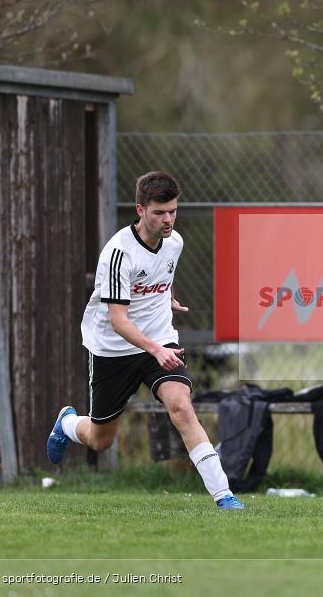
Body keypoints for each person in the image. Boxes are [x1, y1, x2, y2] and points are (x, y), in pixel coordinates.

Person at [46, 171, 244, 510]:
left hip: (159, 339)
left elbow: (160, 277)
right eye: (159, 213)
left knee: (181, 407)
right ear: (140, 210)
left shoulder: (175, 242)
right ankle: (67, 423)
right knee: (100, 439)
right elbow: (118, 320)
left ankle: (224, 495)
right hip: (114, 348)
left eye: (172, 211)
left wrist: (168, 299)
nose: (168, 220)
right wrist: (155, 350)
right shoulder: (118, 253)